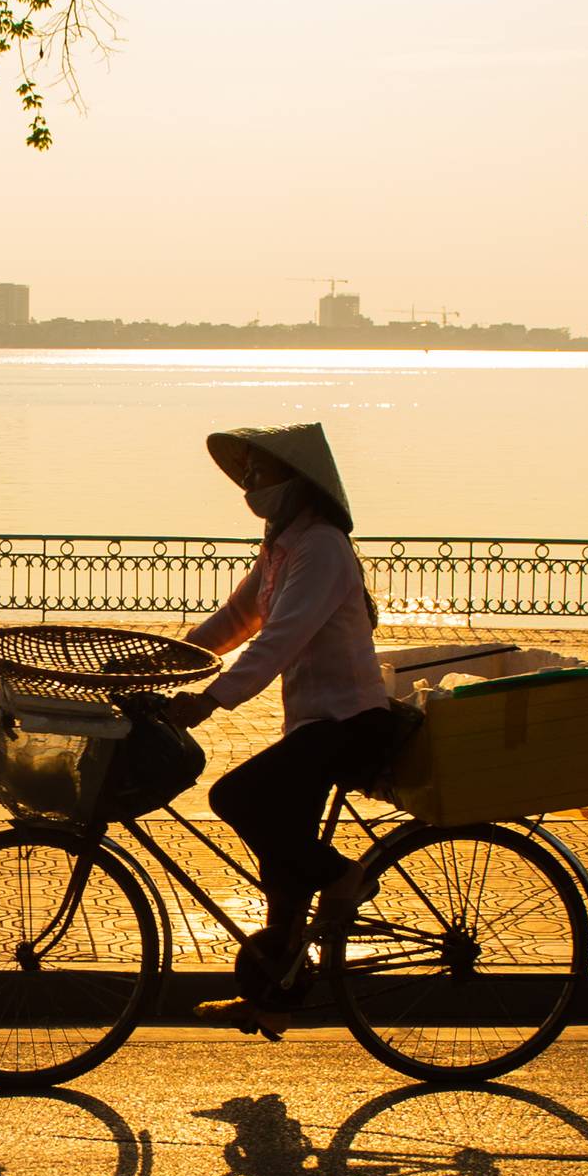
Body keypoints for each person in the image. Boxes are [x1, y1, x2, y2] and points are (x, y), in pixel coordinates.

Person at [163, 423, 415, 1007]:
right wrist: (165, 663)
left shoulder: (322, 548)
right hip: (312, 727)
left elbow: (278, 640)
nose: (249, 482)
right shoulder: (281, 548)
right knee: (281, 871)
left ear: (298, 481)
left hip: (349, 724)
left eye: (260, 471)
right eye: (246, 472)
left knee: (236, 798)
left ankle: (346, 875)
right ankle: (274, 996)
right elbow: (235, 621)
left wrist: (211, 699)